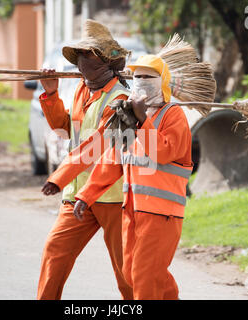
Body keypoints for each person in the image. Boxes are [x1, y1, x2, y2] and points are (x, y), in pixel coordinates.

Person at [73, 54, 194, 300]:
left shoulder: (174, 115)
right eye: (137, 77)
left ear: (163, 83)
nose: (141, 81)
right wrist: (86, 196)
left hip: (162, 214)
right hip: (132, 211)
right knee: (132, 273)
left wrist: (142, 120)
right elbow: (112, 160)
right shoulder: (129, 118)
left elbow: (163, 152)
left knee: (144, 275)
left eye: (148, 77)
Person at [36, 19, 133, 300]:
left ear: (106, 62)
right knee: (55, 253)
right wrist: (51, 93)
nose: (82, 62)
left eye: (88, 56)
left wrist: (58, 177)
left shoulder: (120, 98)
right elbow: (65, 129)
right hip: (76, 194)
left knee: (125, 270)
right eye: (80, 56)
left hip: (111, 197)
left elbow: (96, 147)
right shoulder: (81, 90)